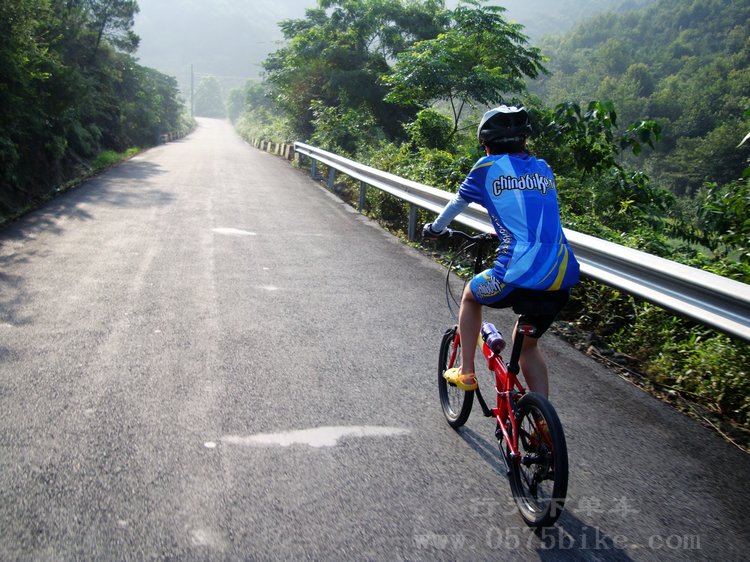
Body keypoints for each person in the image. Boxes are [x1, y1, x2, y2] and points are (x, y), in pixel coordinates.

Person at [423, 105, 579, 398]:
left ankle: (466, 372)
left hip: (516, 274)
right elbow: (528, 211)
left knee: (470, 294)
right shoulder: (543, 169)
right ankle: (542, 422)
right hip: (561, 276)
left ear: (485, 143)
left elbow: (457, 204)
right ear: (524, 140)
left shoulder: (485, 168)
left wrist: (435, 229)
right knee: (528, 345)